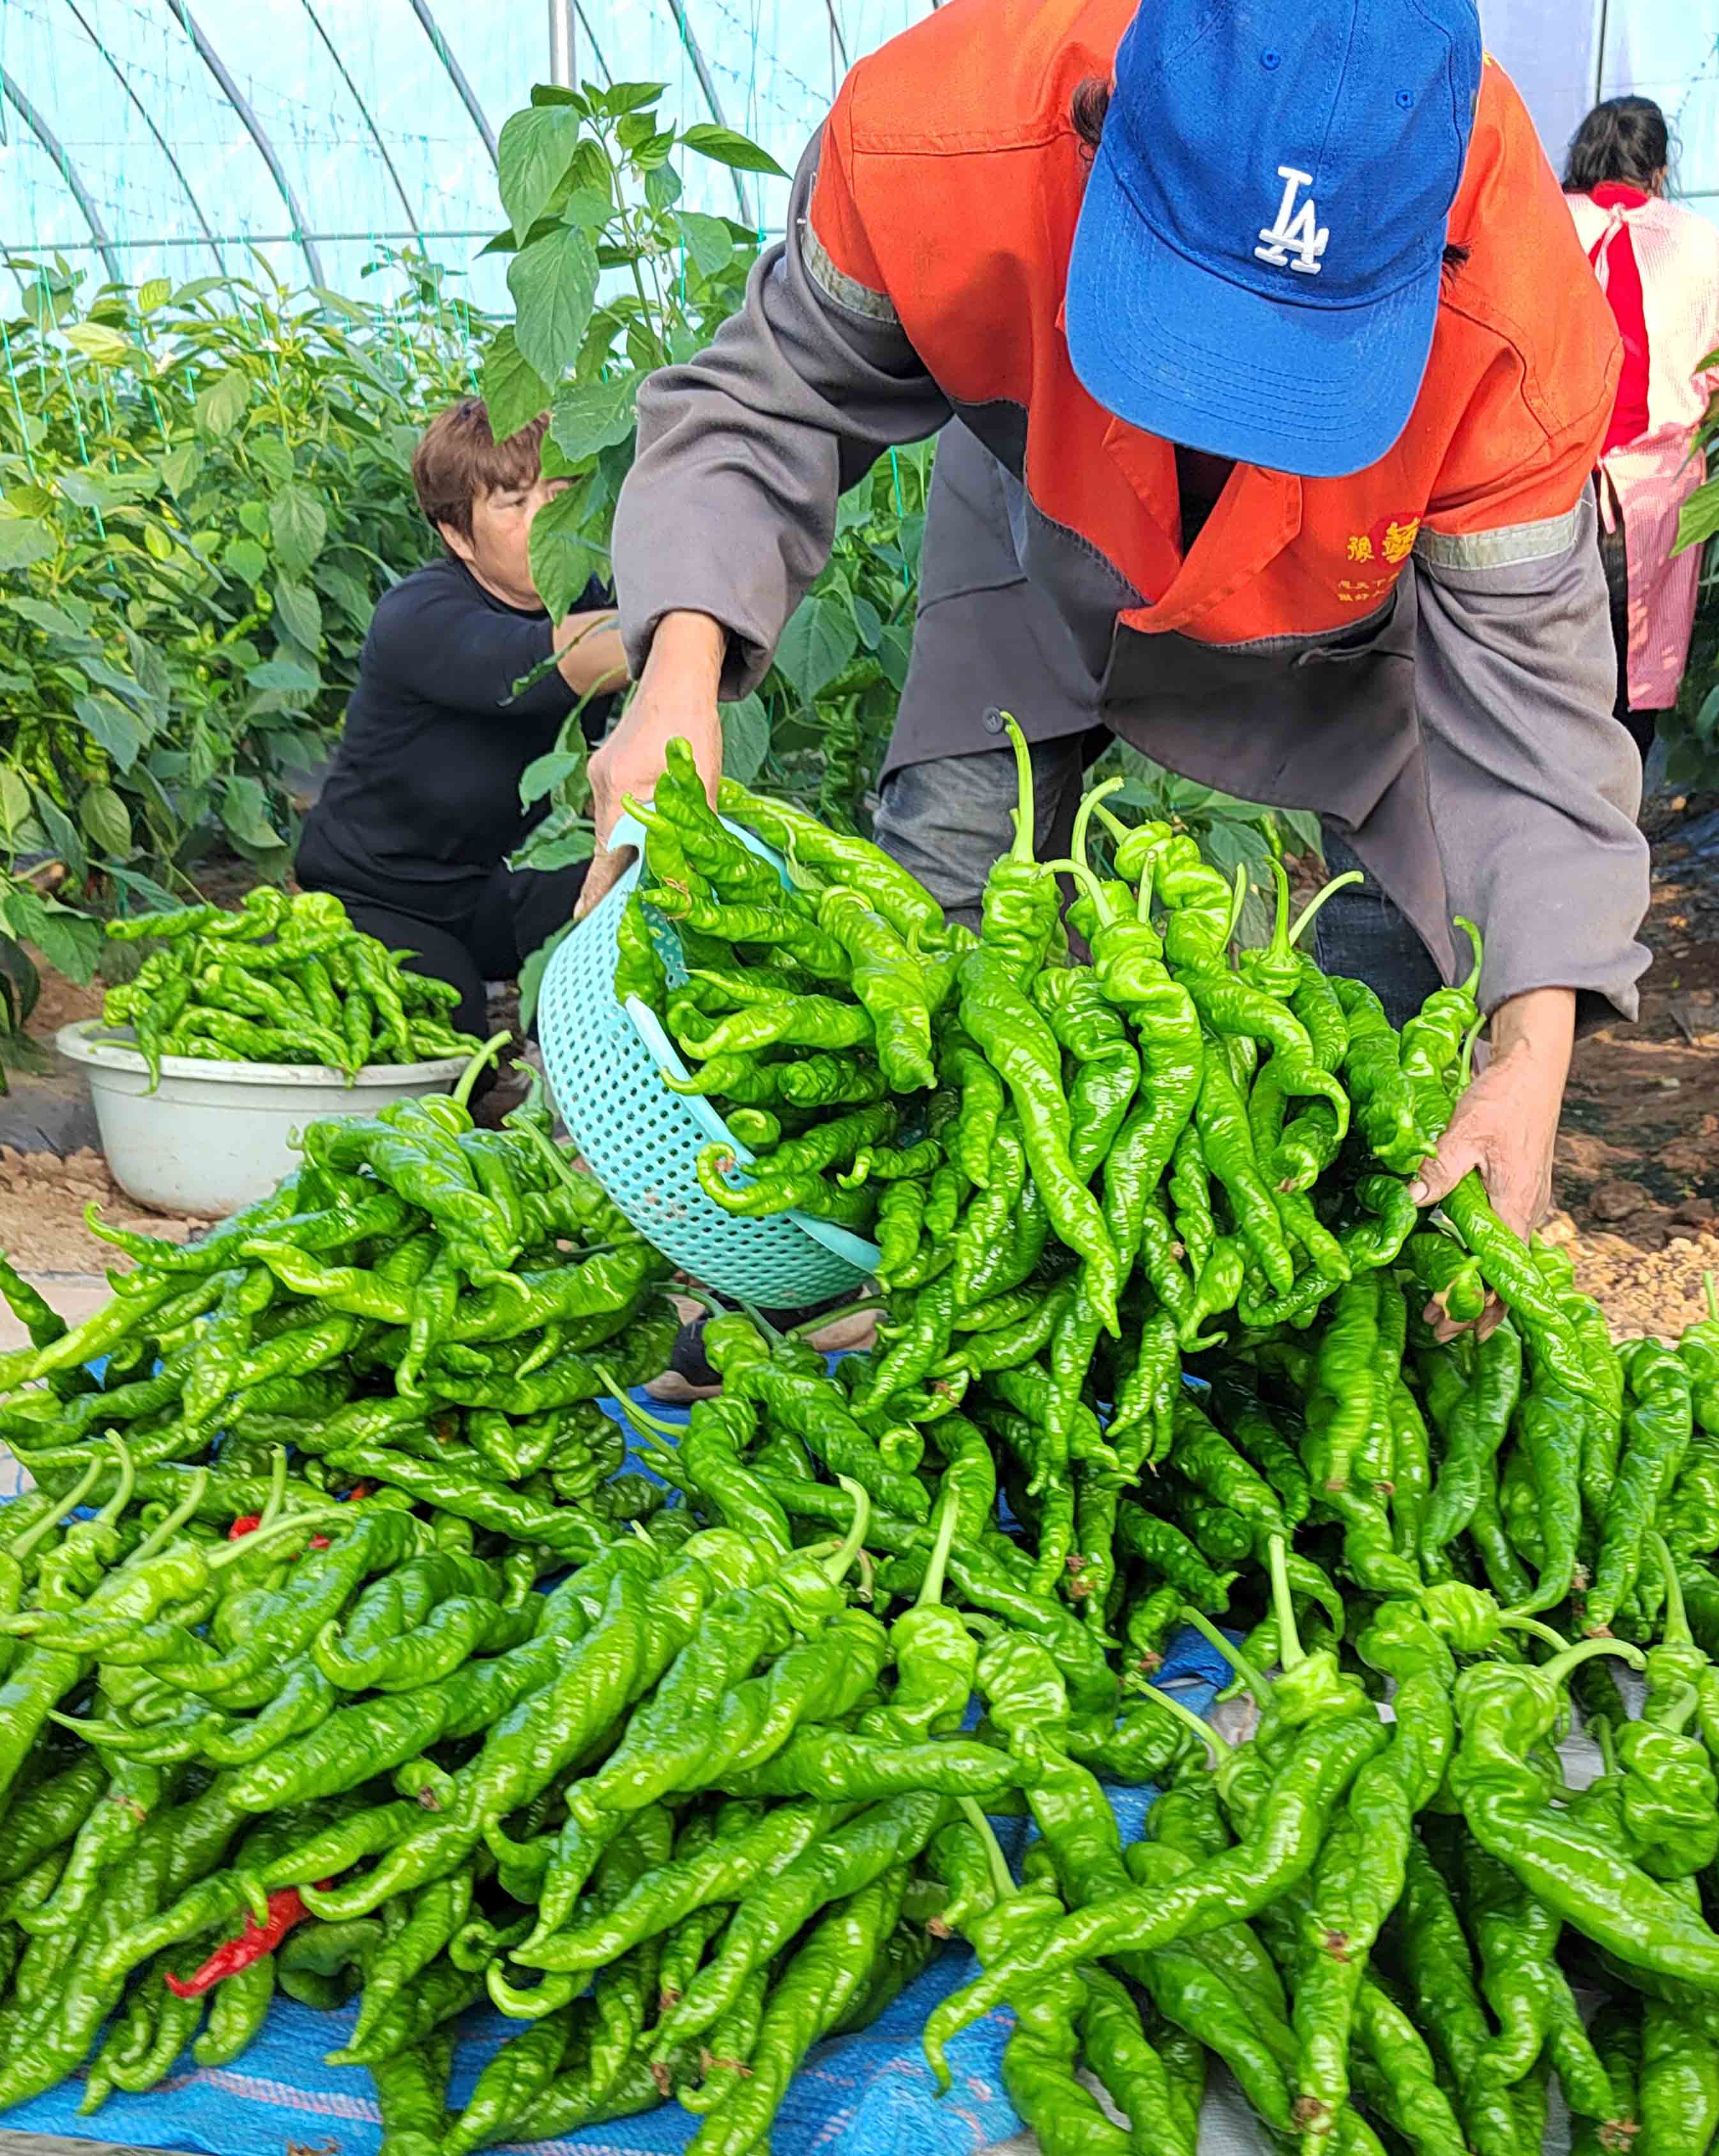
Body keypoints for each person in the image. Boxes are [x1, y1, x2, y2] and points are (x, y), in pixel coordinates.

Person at [583, 0, 1652, 1249]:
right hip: (1047, 501)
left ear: (1435, 257)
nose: (1223, 411)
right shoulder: (949, 136)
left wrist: (1532, 1059)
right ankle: (902, 1258)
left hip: (1353, 618)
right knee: (944, 916)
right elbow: (766, 399)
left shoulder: (1514, 320)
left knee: (1430, 1026)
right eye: (1195, 324)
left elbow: (1536, 713)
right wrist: (674, 683)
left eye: (1291, 358)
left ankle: (1334, 1274)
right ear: (1103, 134)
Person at [296, 399, 628, 1040]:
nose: (548, 520)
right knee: (452, 1038)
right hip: (382, 895)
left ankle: (576, 1072)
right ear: (457, 534)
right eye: (516, 504)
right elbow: (545, 660)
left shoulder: (590, 596)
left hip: (495, 888)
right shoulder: (418, 616)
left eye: (560, 494)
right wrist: (690, 626)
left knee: (635, 886)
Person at [1563, 98, 1719, 759]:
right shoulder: (1696, 241)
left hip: (1547, 483)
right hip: (1654, 494)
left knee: (1539, 665)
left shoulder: (1547, 223)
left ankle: (1531, 831)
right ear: (1659, 171)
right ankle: (1613, 830)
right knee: (1632, 667)